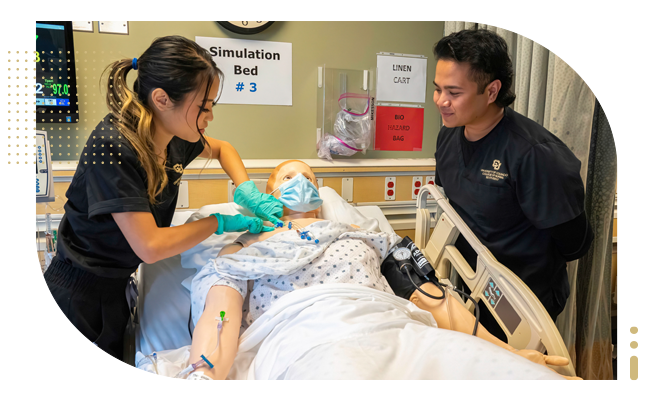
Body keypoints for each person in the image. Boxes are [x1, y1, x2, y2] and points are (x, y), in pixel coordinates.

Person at [184, 160, 577, 380]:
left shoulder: (363, 234)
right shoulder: (248, 246)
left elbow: (433, 299)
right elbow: (221, 316)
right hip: (310, 339)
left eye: (309, 177)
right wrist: (203, 375)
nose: (301, 182)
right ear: (269, 194)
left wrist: (514, 352)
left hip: (400, 330)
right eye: (288, 177)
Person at [34, 35, 283, 380]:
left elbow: (223, 149)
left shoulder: (176, 137)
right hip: (75, 305)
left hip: (114, 293)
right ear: (162, 99)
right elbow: (149, 246)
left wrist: (246, 190)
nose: (210, 115)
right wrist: (218, 222)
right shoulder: (113, 146)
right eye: (204, 105)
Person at [431, 29, 594, 340]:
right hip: (471, 282)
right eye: (437, 89)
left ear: (492, 91)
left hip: (521, 299)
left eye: (454, 92)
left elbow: (575, 243)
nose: (441, 101)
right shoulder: (449, 136)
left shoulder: (535, 155)